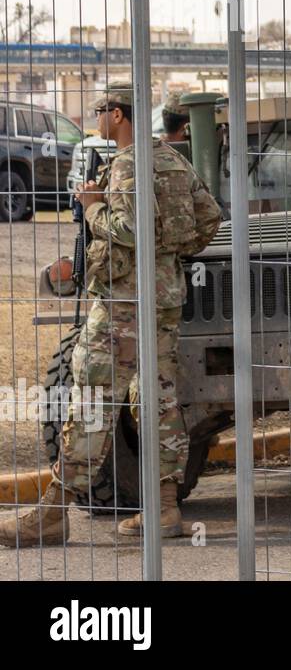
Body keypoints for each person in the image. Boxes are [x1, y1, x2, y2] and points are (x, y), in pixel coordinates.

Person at [1, 82, 222, 547]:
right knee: (157, 402)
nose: (97, 116)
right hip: (162, 298)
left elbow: (126, 228)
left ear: (118, 115)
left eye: (102, 109)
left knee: (94, 399)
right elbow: (208, 220)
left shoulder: (126, 164)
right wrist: (169, 254)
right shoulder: (171, 158)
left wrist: (92, 206)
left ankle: (55, 511)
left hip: (123, 300)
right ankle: (164, 510)